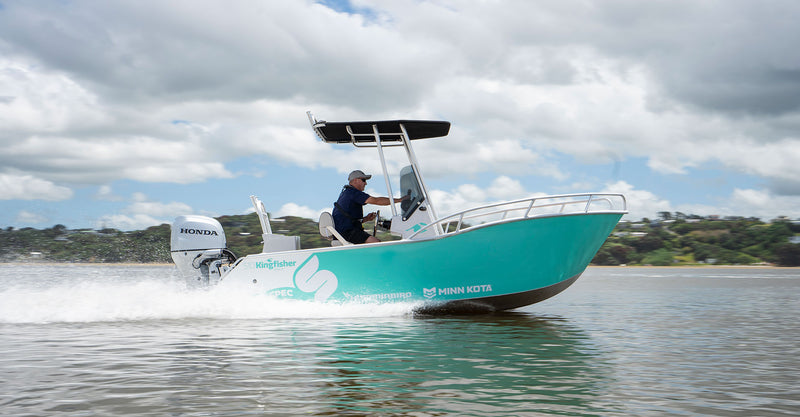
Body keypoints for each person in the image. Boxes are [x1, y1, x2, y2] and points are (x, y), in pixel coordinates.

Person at [332, 170, 404, 244]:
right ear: (355, 180)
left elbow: (347, 220)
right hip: (347, 232)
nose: (365, 183)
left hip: (343, 232)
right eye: (363, 180)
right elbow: (376, 201)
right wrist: (400, 200)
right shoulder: (353, 193)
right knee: (376, 243)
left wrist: (366, 219)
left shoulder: (347, 193)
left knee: (373, 242)